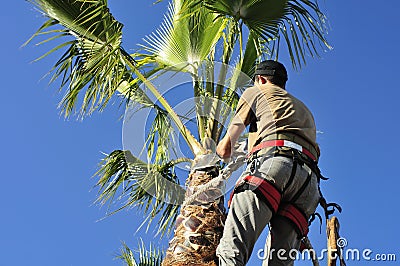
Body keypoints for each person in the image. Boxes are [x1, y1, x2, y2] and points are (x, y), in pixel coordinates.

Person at [215, 60, 321, 265]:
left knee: (231, 254)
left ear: (260, 79)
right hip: (308, 185)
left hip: (273, 168)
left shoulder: (256, 92)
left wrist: (219, 155)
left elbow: (224, 149)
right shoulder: (304, 109)